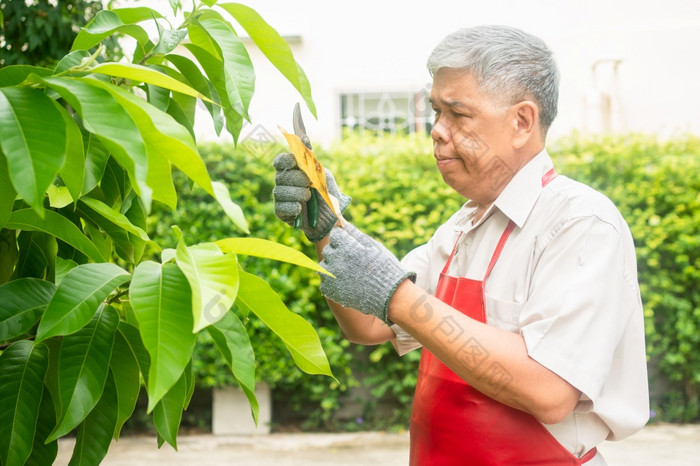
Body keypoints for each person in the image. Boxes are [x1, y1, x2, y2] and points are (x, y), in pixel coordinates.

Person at [273, 25, 649, 465]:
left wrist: (396, 293)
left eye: (458, 114)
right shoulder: (464, 225)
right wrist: (326, 231)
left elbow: (549, 389)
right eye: (435, 111)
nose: (436, 130)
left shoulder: (579, 223)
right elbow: (368, 325)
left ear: (522, 121)